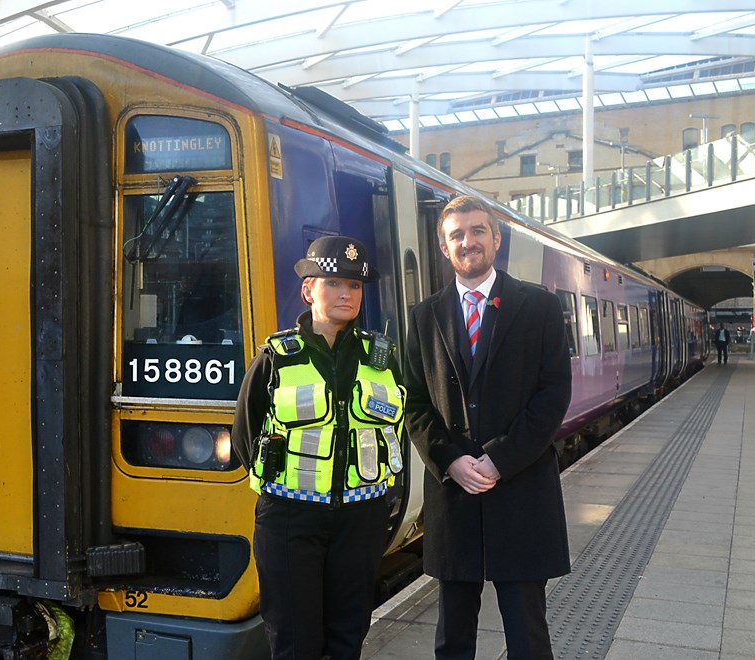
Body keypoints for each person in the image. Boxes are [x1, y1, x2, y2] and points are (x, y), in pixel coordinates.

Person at [404, 195, 572, 660]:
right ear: (444, 248)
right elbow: (415, 401)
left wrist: (499, 459)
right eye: (456, 235)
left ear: (496, 239)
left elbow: (553, 395)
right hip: (454, 500)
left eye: (477, 231)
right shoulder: (423, 317)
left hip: (520, 494)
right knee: (453, 639)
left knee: (527, 637)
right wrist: (449, 459)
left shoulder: (538, 307)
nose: (468, 241)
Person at [231, 235, 406, 660]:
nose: (347, 293)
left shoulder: (381, 358)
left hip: (360, 519)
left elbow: (398, 429)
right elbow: (244, 437)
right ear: (310, 290)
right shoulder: (275, 358)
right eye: (334, 283)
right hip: (291, 519)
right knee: (294, 641)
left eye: (355, 286)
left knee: (348, 636)